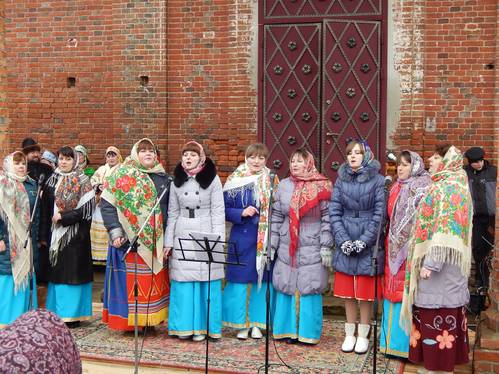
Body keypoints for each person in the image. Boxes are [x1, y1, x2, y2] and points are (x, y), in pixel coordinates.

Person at [401, 144, 472, 374]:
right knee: (435, 325)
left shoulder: (448, 188)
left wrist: (431, 263)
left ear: (446, 160)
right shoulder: (450, 184)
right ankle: (435, 369)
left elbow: (445, 230)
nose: (430, 160)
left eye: (434, 157)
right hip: (445, 274)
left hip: (440, 272)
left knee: (439, 323)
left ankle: (438, 369)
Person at [100, 139, 170, 331]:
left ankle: (150, 322)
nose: (148, 154)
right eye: (143, 150)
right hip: (128, 241)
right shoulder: (121, 175)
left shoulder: (163, 178)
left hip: (155, 241)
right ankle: (129, 325)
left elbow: (170, 210)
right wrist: (115, 231)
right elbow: (107, 205)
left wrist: (167, 240)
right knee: (130, 283)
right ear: (134, 153)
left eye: (151, 151)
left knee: (151, 282)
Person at [270, 148, 333, 344]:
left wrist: (326, 245)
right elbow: (277, 216)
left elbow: (328, 218)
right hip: (287, 241)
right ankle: (286, 330)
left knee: (309, 285)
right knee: (286, 284)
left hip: (311, 241)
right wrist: (271, 245)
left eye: (300, 161)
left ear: (309, 163)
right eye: (293, 161)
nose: (295, 164)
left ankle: (307, 333)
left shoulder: (322, 186)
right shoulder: (283, 186)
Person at [165, 141, 225, 342]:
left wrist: (218, 240)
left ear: (201, 157)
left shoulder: (212, 179)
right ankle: (183, 327)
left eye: (192, 155)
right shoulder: (176, 181)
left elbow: (218, 212)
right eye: (185, 155)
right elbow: (172, 213)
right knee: (183, 281)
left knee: (204, 279)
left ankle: (204, 327)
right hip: (182, 229)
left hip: (205, 228)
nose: (188, 158)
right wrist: (168, 242)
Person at [329, 140, 385, 354]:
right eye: (349, 153)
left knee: (364, 293)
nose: (352, 156)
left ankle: (364, 333)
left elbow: (380, 215)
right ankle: (349, 333)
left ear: (366, 155)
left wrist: (365, 240)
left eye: (357, 153)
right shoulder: (341, 180)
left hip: (367, 241)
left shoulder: (378, 181)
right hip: (346, 237)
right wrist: (343, 239)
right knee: (347, 293)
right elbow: (334, 211)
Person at [380, 150, 431, 358]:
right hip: (392, 246)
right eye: (398, 164)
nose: (400, 168)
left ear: (415, 166)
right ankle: (388, 344)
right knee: (391, 293)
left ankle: (404, 347)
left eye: (405, 165)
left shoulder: (423, 188)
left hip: (412, 249)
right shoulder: (394, 187)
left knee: (406, 293)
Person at [222, 143, 274, 340]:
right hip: (242, 235)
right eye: (253, 157)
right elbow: (223, 208)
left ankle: (257, 323)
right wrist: (240, 212)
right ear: (246, 157)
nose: (256, 161)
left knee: (261, 281)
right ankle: (240, 324)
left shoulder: (271, 179)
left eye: (261, 158)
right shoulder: (235, 180)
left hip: (264, 237)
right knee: (240, 281)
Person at [40, 146, 95, 326]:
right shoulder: (51, 180)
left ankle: (73, 315)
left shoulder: (83, 180)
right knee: (57, 275)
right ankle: (57, 313)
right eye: (61, 159)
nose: (64, 162)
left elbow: (87, 210)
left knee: (73, 275)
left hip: (76, 236)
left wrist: (64, 218)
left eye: (68, 159)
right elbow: (44, 208)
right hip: (55, 236)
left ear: (75, 161)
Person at [0, 152, 40, 327]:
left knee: (27, 274)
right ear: (8, 164)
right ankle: (6, 319)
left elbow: (36, 215)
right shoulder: (2, 185)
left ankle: (25, 320)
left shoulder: (32, 185)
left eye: (23, 163)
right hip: (7, 239)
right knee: (9, 275)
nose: (21, 166)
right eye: (17, 163)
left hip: (27, 240)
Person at [464, 146, 496, 311]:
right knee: (477, 249)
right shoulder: (465, 173)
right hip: (475, 219)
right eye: (474, 162)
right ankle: (480, 283)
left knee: (491, 251)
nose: (478, 164)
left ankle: (489, 283)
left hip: (492, 219)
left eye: (480, 161)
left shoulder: (493, 172)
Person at [90, 146, 123, 263]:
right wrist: (98, 186)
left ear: (118, 156)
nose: (111, 158)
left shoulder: (122, 170)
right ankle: (97, 258)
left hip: (113, 206)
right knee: (98, 232)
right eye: (109, 156)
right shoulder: (101, 169)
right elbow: (93, 180)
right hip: (100, 205)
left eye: (113, 155)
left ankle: (107, 258)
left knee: (110, 229)